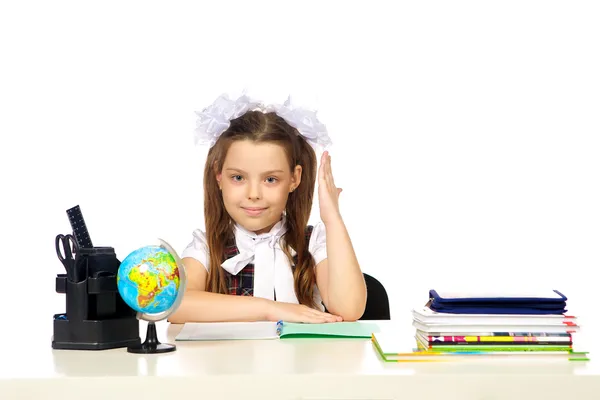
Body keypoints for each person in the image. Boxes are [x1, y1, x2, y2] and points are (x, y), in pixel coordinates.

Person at [169, 93, 366, 324]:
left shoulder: (312, 243)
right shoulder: (206, 247)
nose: (254, 194)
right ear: (218, 175)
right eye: (238, 177)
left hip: (304, 361)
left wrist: (332, 218)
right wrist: (269, 309)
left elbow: (350, 309)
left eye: (270, 179)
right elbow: (176, 306)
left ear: (294, 178)